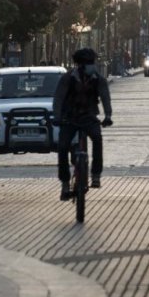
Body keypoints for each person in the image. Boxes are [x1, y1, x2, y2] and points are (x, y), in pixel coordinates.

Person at [52, 48, 113, 201]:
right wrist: (58, 117)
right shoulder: (68, 78)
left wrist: (108, 116)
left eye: (93, 62)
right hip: (70, 118)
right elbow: (58, 98)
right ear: (80, 64)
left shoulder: (98, 79)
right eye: (89, 63)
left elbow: (105, 97)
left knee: (97, 139)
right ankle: (65, 183)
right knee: (63, 146)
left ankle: (96, 175)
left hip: (89, 117)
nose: (92, 65)